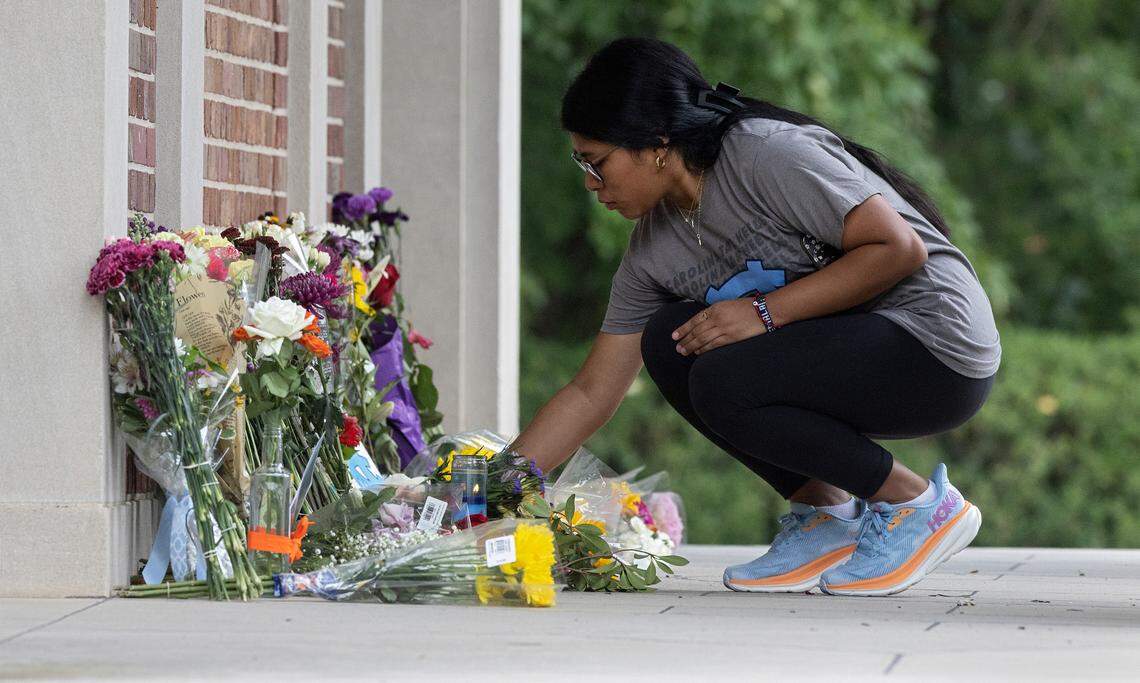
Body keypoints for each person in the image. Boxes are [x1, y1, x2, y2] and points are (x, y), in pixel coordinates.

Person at [508, 37, 1000, 597]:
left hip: (936, 345)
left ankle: (918, 505)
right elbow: (592, 392)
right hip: (852, 354)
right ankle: (825, 516)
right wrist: (488, 492)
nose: (591, 184)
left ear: (656, 145)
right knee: (670, 342)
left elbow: (899, 249)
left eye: (596, 162)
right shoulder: (654, 250)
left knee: (722, 375)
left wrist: (764, 312)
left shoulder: (765, 155)